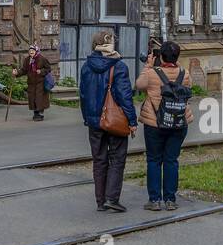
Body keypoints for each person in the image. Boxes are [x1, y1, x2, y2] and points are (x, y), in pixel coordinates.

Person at [79, 29, 137, 212]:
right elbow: (124, 97)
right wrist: (132, 121)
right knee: (117, 158)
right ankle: (112, 198)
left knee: (99, 160)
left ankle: (100, 201)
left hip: (94, 121)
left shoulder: (86, 66)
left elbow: (82, 95)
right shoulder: (119, 67)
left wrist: (87, 117)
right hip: (114, 121)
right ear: (110, 44)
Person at [134, 41, 193, 211]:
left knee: (154, 160)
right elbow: (186, 88)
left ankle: (154, 200)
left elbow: (139, 85)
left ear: (160, 56)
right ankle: (170, 199)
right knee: (171, 160)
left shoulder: (151, 74)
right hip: (178, 122)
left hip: (155, 123)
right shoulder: (185, 73)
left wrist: (148, 65)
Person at [14, 45, 52, 121]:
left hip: (40, 82)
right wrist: (17, 73)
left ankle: (40, 114)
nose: (31, 52)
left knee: (39, 98)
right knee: (32, 98)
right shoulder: (27, 60)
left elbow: (48, 68)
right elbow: (24, 70)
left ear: (36, 51)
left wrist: (41, 71)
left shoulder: (42, 59)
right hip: (31, 83)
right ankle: (35, 113)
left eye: (33, 51)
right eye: (30, 51)